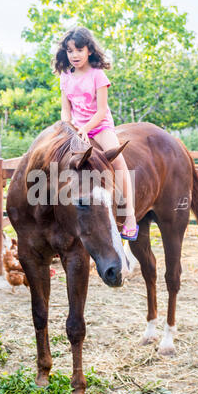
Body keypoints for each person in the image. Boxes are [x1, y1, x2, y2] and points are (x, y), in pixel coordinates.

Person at [54, 27, 138, 241]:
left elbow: (101, 111)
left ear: (89, 50)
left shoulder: (98, 75)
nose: (74, 55)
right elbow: (66, 109)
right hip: (75, 129)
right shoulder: (65, 76)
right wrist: (67, 126)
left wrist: (86, 128)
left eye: (79, 50)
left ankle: (130, 217)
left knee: (118, 162)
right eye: (70, 51)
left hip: (99, 127)